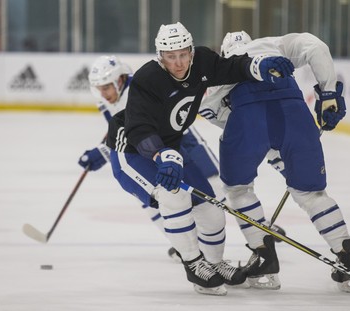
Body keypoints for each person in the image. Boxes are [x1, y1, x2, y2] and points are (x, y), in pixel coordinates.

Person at [106, 22, 295, 295]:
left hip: (170, 148)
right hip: (132, 152)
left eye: (183, 54)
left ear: (191, 50)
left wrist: (259, 66)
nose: (179, 62)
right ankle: (194, 265)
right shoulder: (148, 79)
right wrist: (162, 155)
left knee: (211, 206)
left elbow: (233, 68)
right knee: (174, 195)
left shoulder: (203, 61)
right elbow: (139, 130)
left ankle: (215, 263)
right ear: (160, 55)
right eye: (171, 56)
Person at [200, 30, 350, 293]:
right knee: (311, 192)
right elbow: (316, 46)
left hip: (247, 119)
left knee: (238, 188)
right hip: (295, 113)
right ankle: (348, 257)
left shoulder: (223, 66)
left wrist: (253, 135)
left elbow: (209, 109)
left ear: (224, 50)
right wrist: (329, 93)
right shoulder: (273, 44)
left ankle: (263, 254)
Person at [78, 55, 225, 263]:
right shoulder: (108, 100)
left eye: (107, 87)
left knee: (214, 192)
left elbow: (142, 131)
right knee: (155, 201)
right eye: (100, 88)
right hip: (150, 152)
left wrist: (102, 152)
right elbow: (123, 137)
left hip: (181, 143)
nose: (104, 93)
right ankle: (186, 246)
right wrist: (104, 150)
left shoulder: (138, 91)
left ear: (119, 80)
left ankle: (254, 226)